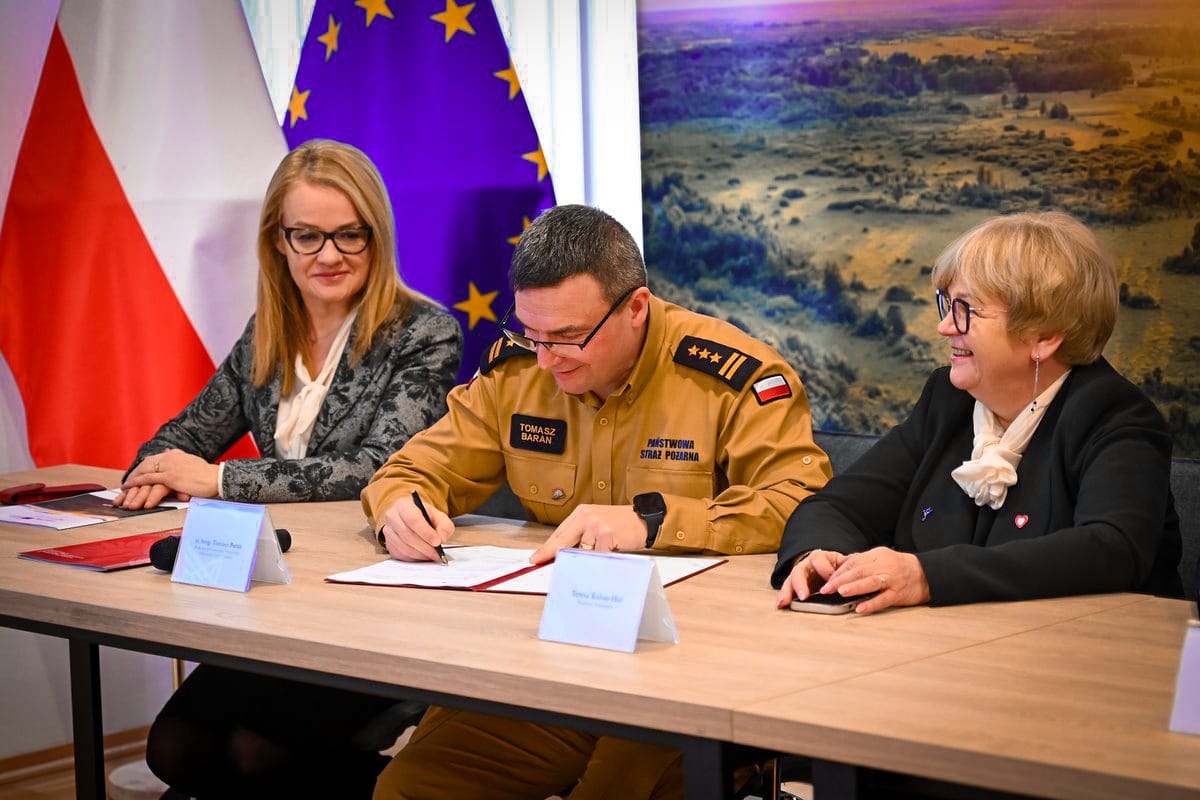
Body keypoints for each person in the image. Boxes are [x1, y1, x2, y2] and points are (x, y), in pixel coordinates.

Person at [361, 204, 830, 799]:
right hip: (553, 658)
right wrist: (400, 509)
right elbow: (410, 470)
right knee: (409, 788)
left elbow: (802, 501)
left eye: (567, 337)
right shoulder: (519, 370)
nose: (546, 358)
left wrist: (651, 521)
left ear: (636, 308)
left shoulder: (732, 376)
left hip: (687, 674)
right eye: (531, 333)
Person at [138, 139, 462, 799]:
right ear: (278, 242)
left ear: (377, 236)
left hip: (367, 605)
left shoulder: (423, 333)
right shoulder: (267, 332)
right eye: (308, 236)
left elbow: (374, 470)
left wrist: (220, 480)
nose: (329, 255)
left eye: (349, 235)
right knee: (173, 748)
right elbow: (183, 436)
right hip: (275, 599)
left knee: (257, 753)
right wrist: (153, 469)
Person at [774, 211, 1182, 616]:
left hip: (1086, 647)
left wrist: (927, 576)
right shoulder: (947, 401)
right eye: (947, 305)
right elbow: (834, 508)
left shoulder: (1115, 416)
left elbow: (1111, 550)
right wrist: (818, 556)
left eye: (966, 309)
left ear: (1043, 336)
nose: (945, 327)